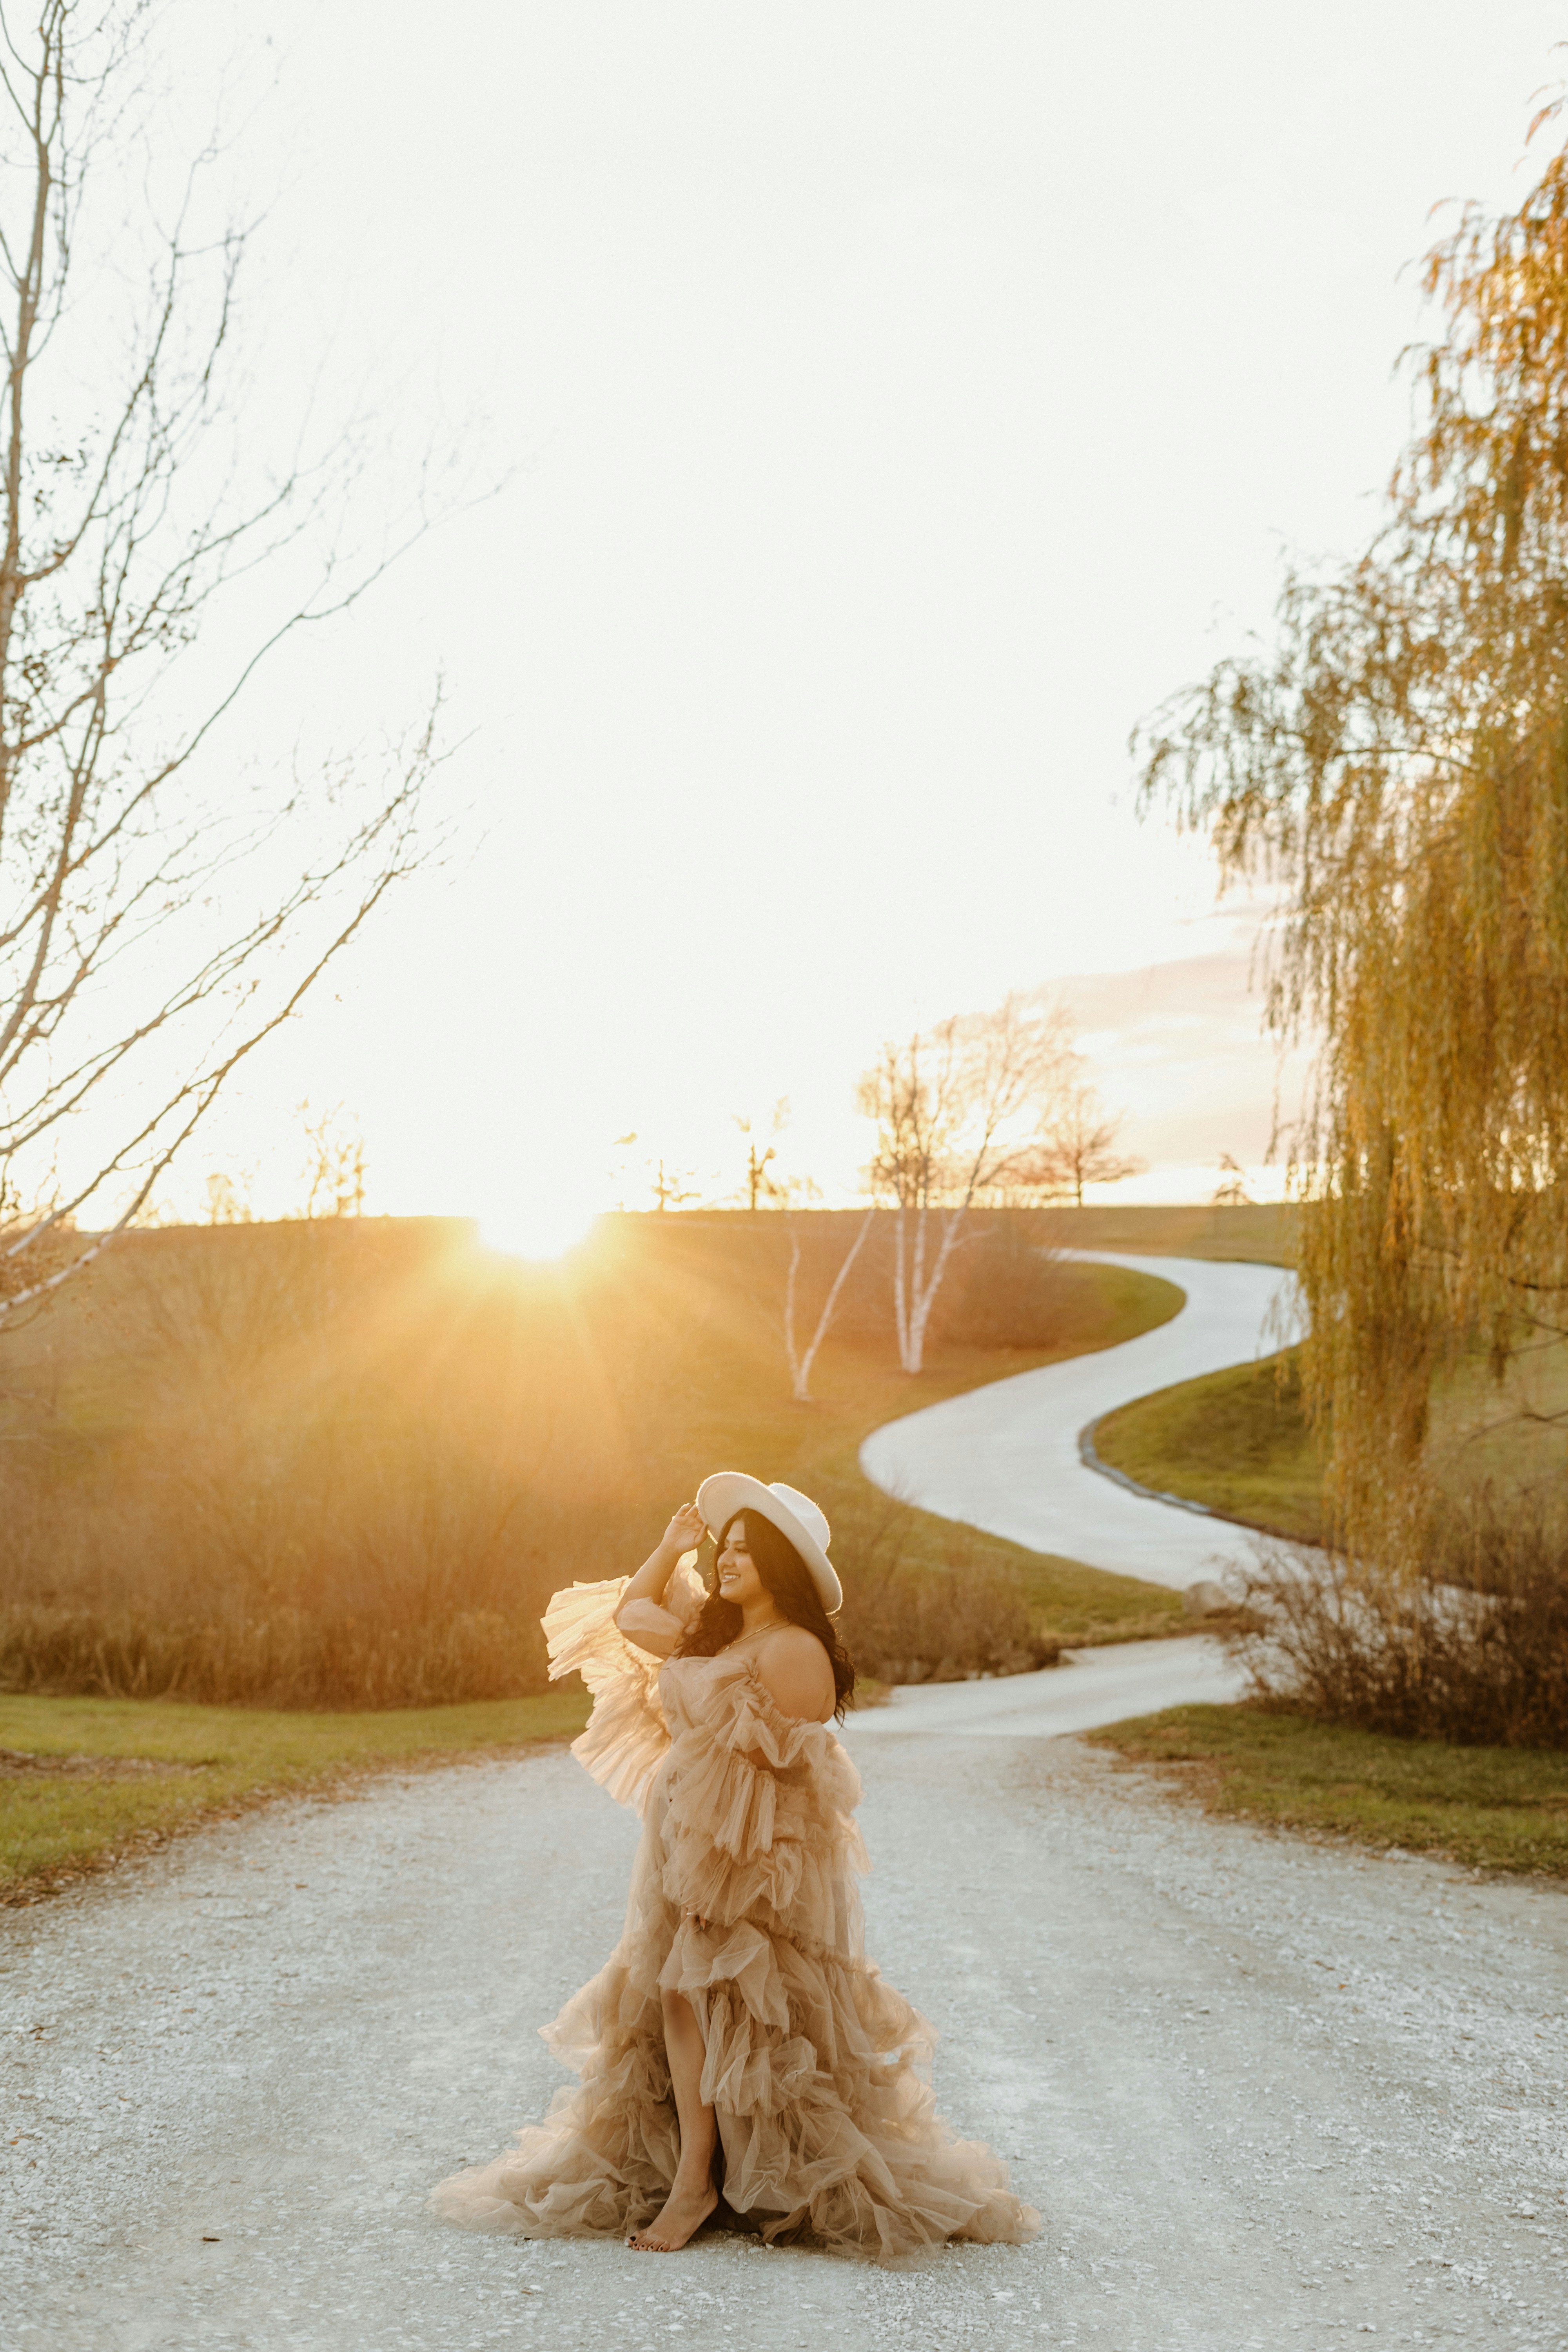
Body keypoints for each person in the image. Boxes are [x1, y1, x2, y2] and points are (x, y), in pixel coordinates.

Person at [430, 1472, 1039, 2261]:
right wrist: (671, 1546)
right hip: (680, 1832)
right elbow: (631, 1615)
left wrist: (744, 1869)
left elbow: (800, 1776)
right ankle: (706, 2167)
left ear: (782, 1567)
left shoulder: (792, 1649)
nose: (727, 1562)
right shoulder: (713, 1636)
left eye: (747, 1553)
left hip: (742, 1848)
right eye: (727, 1548)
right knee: (676, 1994)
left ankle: (700, 2181)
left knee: (716, 1998)